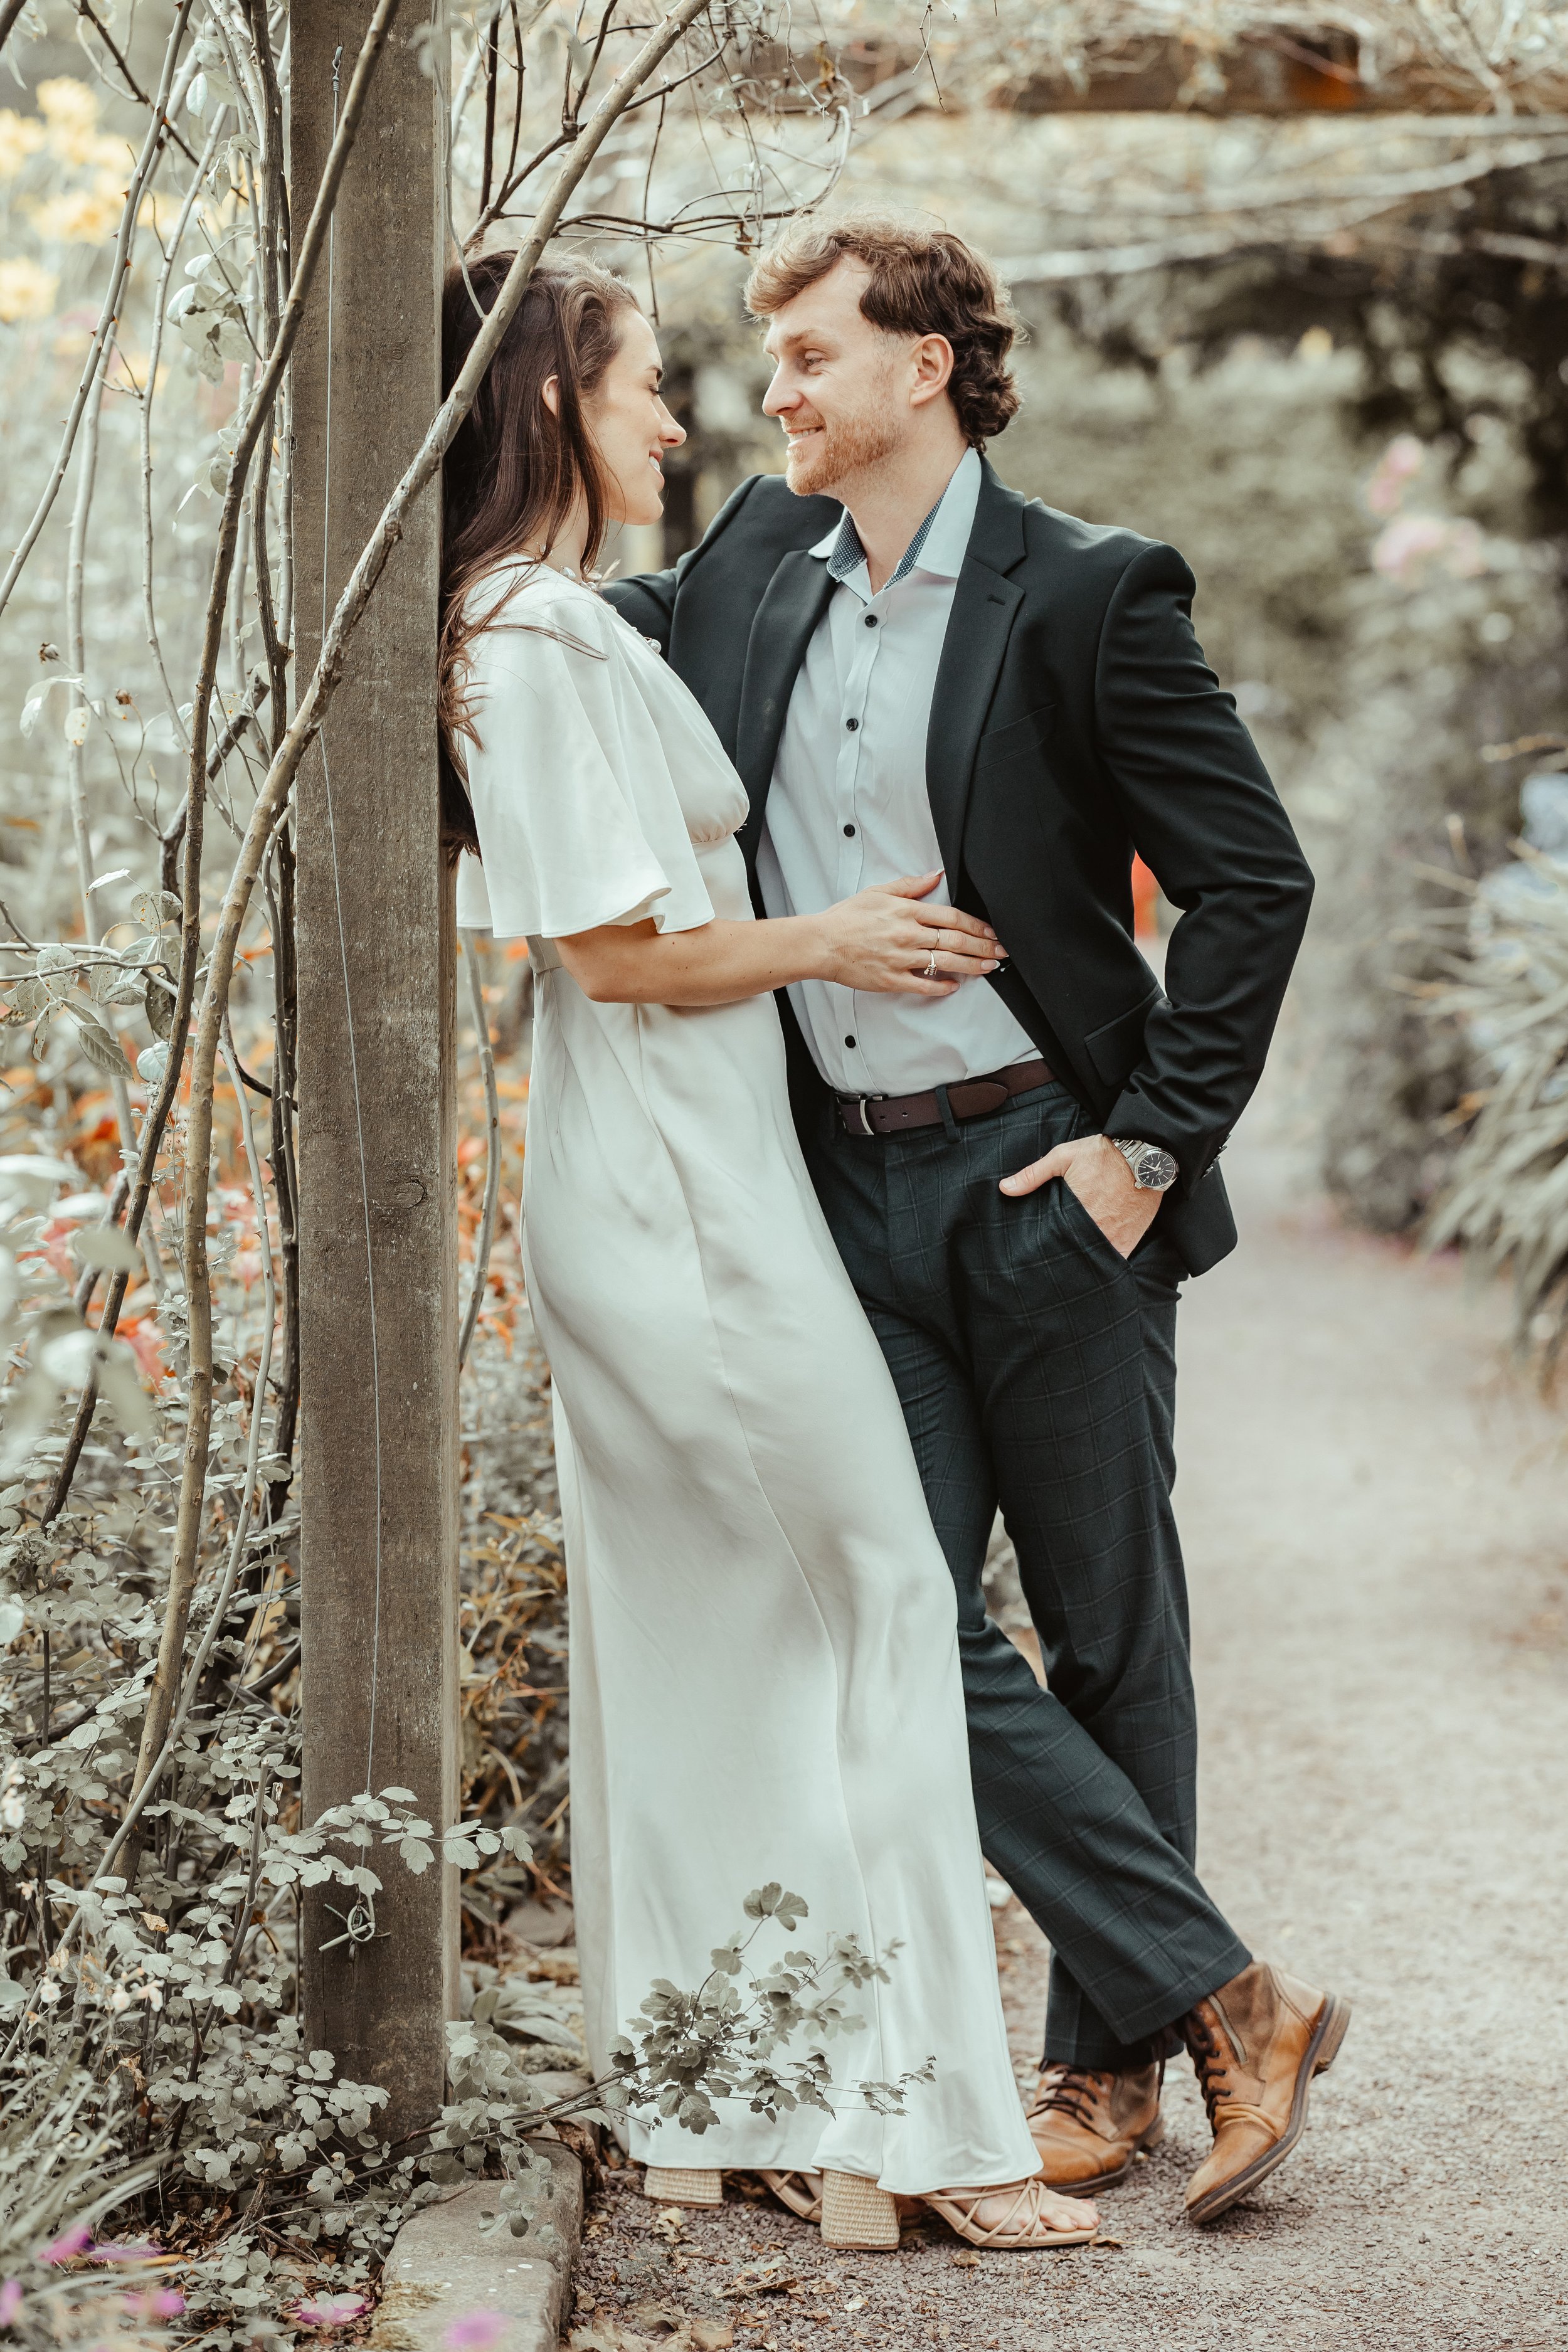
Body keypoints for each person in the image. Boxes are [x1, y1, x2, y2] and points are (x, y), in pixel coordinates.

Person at [604, 213, 1349, 2227]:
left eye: (811, 355)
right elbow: (575, 644)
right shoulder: (750, 559)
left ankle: (1102, 2071)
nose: (775, 390)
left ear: (922, 366)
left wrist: (1143, 1152)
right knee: (892, 1620)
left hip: (1043, 1175)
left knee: (1106, 1628)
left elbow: (1252, 882)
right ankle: (1234, 2000)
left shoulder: (1089, 593)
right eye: (767, 359)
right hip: (839, 1188)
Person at [442, 248, 1101, 2253]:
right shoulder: (532, 635)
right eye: (642, 384)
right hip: (681, 1206)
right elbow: (614, 955)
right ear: (547, 400)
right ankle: (933, 2135)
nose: (676, 420)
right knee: (882, 1597)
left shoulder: (534, 623)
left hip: (676, 1178)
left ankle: (718, 2102)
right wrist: (837, 939)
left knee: (713, 1647)